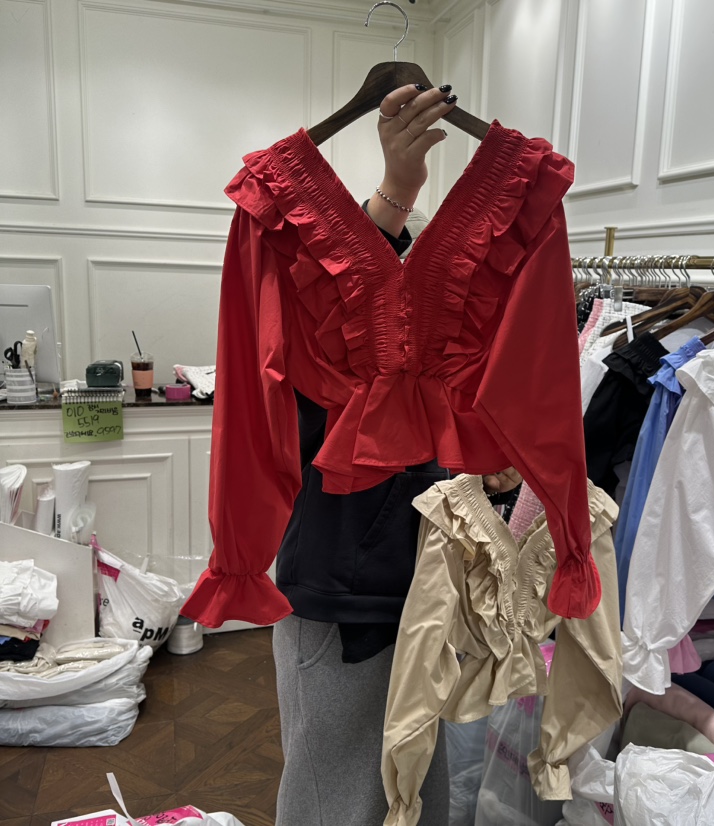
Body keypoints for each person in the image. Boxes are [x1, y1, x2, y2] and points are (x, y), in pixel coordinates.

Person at [272, 84, 523, 826]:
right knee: (340, 792)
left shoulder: (457, 316)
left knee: (410, 787)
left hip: (422, 582)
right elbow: (344, 314)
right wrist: (395, 190)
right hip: (343, 588)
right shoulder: (305, 305)